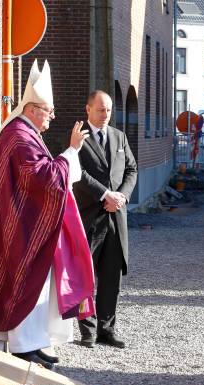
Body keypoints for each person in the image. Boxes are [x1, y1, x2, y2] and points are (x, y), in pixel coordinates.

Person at [0, 60, 95, 368]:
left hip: (25, 221)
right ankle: (22, 345)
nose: (52, 116)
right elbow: (42, 179)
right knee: (26, 282)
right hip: (21, 226)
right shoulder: (20, 136)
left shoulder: (22, 132)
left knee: (36, 282)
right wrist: (72, 151)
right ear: (33, 108)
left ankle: (32, 342)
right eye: (49, 111)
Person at [74, 90, 137, 349]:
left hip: (116, 217)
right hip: (90, 216)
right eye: (100, 110)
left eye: (108, 110)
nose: (105, 115)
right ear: (88, 109)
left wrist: (121, 196)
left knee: (112, 276)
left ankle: (106, 330)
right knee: (85, 275)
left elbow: (131, 169)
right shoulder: (79, 139)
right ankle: (87, 331)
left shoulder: (119, 137)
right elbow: (78, 172)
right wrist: (105, 195)